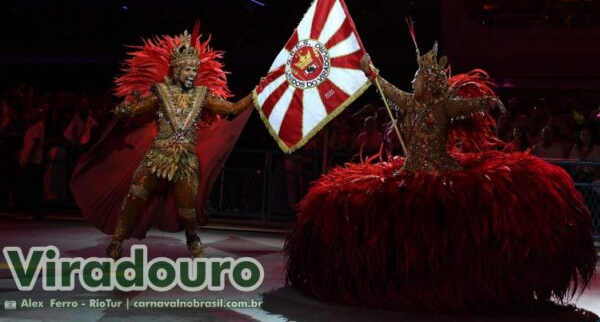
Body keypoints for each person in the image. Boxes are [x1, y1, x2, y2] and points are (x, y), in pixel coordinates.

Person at [284, 43, 596, 313]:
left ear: (430, 83)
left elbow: (467, 104)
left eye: (417, 78)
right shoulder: (411, 102)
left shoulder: (443, 105)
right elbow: (389, 92)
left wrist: (487, 102)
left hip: (439, 169)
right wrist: (371, 71)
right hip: (411, 168)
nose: (413, 81)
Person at [71, 26, 254, 259]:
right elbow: (138, 110)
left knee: (187, 208)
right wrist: (127, 110)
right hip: (157, 155)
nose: (191, 73)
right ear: (177, 70)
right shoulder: (161, 92)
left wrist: (256, 94)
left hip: (186, 160)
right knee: (135, 196)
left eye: (194, 70)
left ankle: (193, 239)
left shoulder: (202, 96)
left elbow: (233, 108)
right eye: (187, 69)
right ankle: (117, 240)